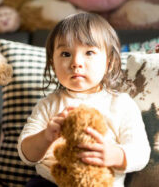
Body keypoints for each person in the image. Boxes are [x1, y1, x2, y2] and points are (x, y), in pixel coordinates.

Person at [17, 12, 150, 187]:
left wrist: (115, 155)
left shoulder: (121, 104)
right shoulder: (48, 105)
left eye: (89, 52)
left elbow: (141, 152)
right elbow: (26, 154)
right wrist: (46, 136)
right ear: (52, 63)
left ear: (109, 63)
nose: (76, 62)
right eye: (65, 54)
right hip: (51, 181)